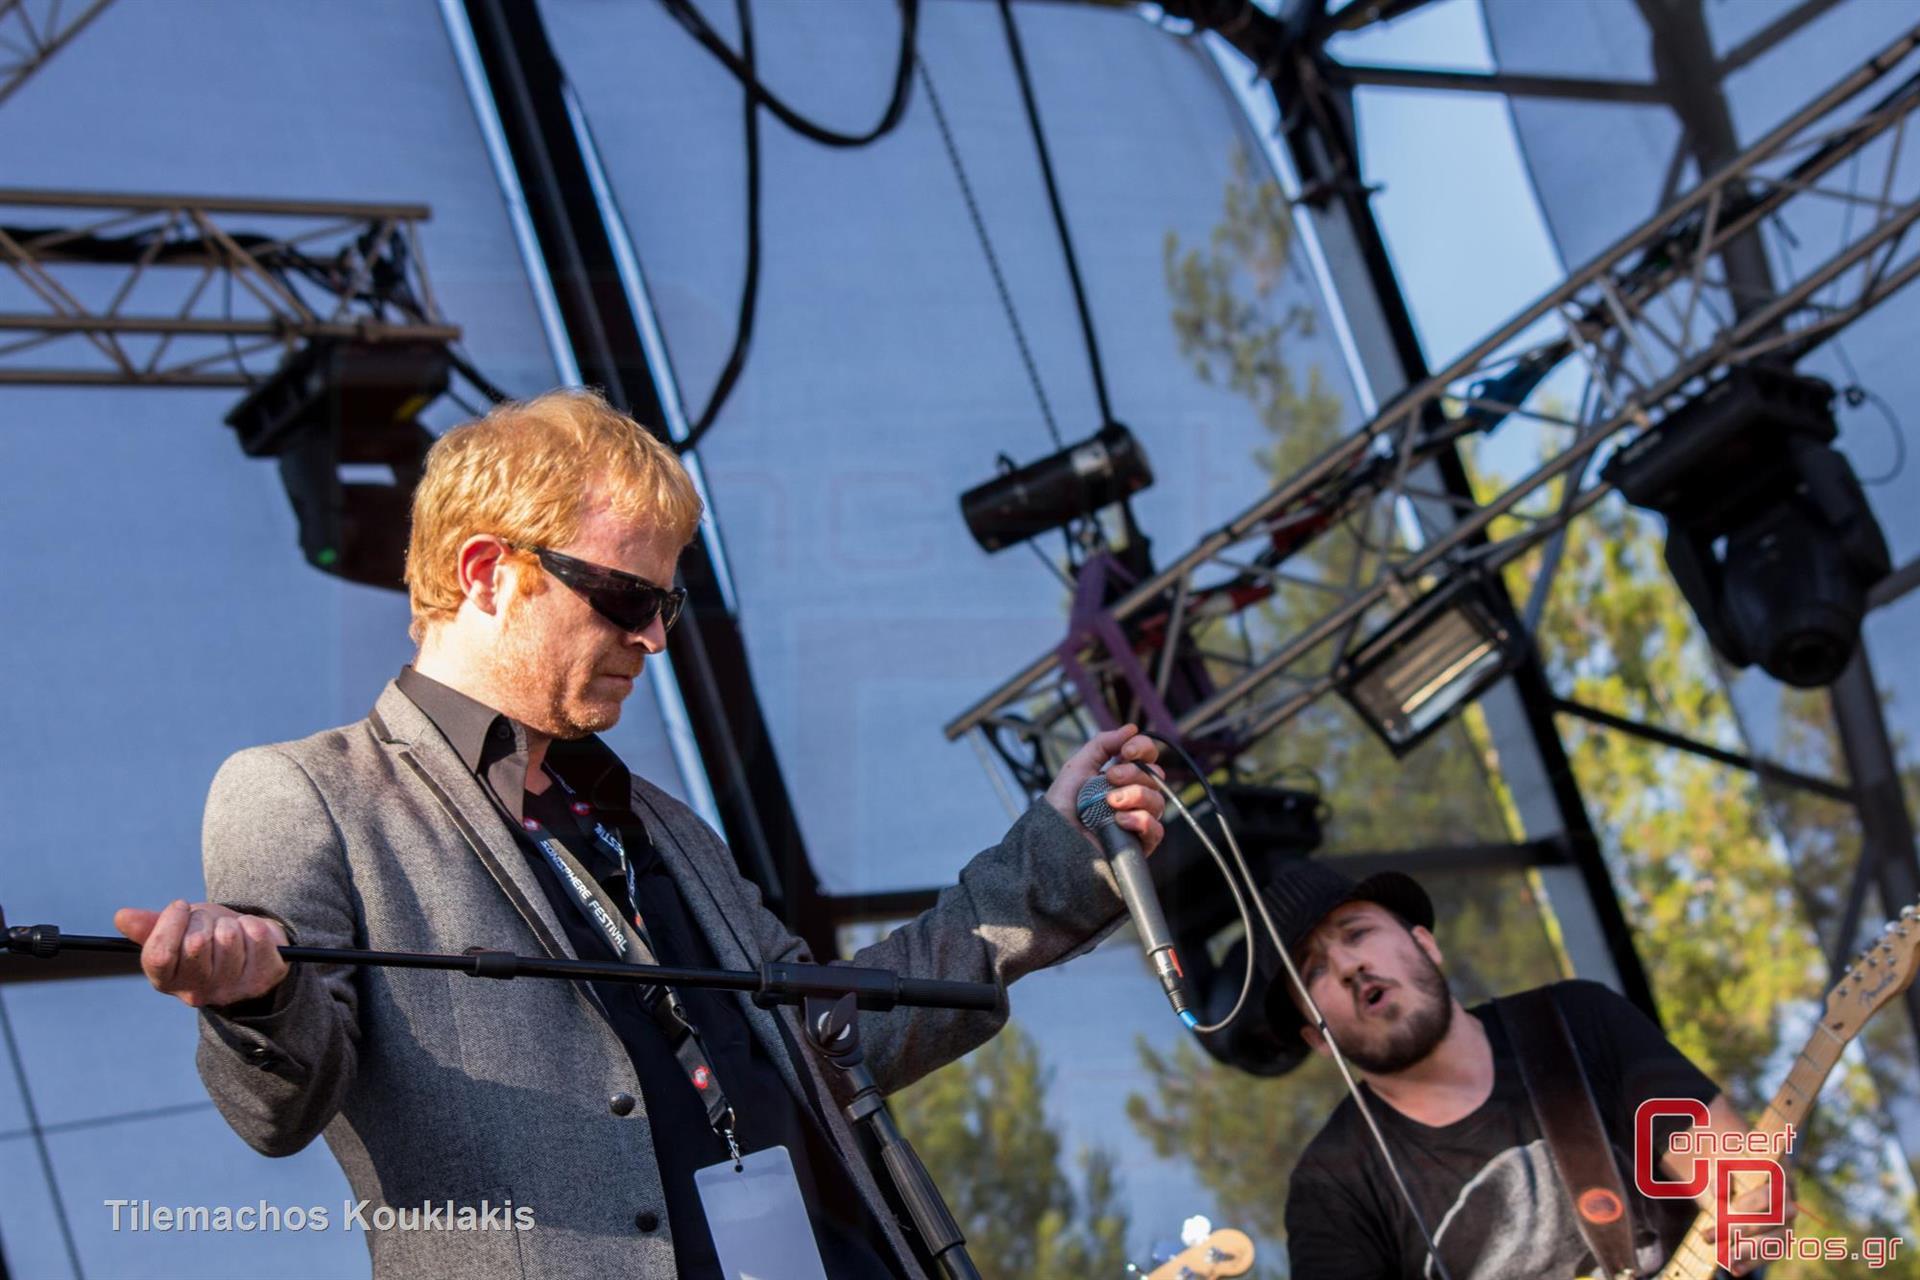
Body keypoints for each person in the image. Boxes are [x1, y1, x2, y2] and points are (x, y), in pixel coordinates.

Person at [113, 388, 1166, 1280]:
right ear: (485, 569)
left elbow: (829, 1035)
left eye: (667, 601)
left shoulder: (652, 816)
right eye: (623, 595)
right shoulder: (301, 790)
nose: (654, 636)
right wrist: (255, 998)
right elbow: (279, 1104)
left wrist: (1053, 862)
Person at [1266, 860, 1793, 1279]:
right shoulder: (1333, 1185)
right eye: (1313, 970)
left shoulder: (1575, 1020)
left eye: (1357, 933)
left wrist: (1753, 1210)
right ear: (1318, 1039)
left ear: (1425, 944)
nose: (1347, 965)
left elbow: (1732, 1178)